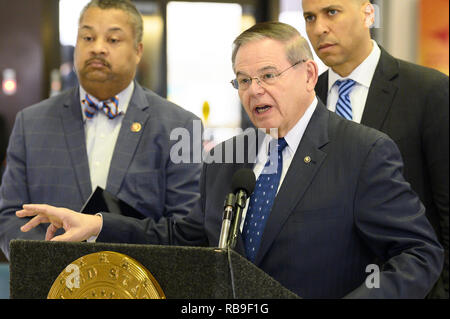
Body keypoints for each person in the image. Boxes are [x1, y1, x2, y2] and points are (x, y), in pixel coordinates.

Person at [17, 22, 444, 299]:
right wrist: (98, 225)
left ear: (309, 75)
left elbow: (419, 253)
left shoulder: (363, 151)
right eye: (242, 80)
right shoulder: (227, 157)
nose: (254, 90)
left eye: (268, 76)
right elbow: (189, 236)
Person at [0, 0, 202, 260]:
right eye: (87, 37)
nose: (97, 48)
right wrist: (46, 265)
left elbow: (187, 229)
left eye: (113, 39)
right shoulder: (31, 123)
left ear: (138, 50)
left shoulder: (179, 126)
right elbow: (10, 215)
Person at [302, 0, 449, 298]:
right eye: (309, 17)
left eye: (331, 12)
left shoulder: (428, 91)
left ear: (368, 13)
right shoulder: (304, 99)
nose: (319, 28)